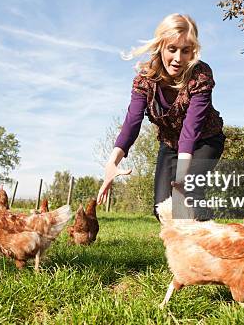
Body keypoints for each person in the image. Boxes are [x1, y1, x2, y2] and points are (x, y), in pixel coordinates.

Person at [96, 13, 225, 219]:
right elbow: (132, 122)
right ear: (161, 47)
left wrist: (182, 177)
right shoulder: (145, 81)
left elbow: (191, 129)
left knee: (189, 193)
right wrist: (112, 162)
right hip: (170, 143)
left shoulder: (200, 76)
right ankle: (179, 246)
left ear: (193, 51)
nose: (178, 58)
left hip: (204, 140)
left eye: (186, 51)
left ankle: (206, 244)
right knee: (162, 208)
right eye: (172, 49)